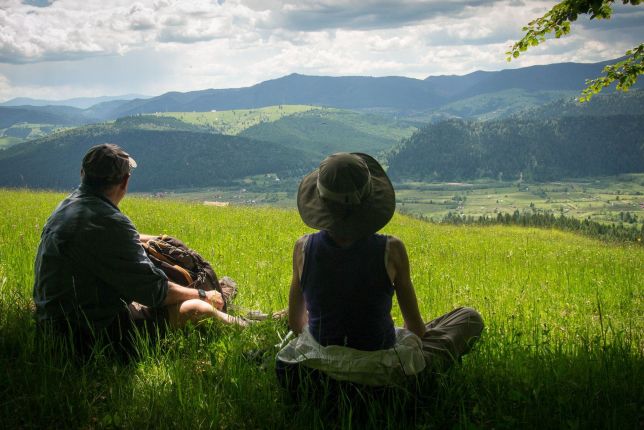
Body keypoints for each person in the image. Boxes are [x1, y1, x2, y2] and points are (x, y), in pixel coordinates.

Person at [276, 152, 484, 397]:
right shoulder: (391, 250)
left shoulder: (303, 249)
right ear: (369, 203)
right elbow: (416, 330)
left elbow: (296, 324)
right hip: (383, 378)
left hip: (317, 371)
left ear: (320, 202)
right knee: (469, 318)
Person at [33, 143, 246, 357]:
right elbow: (156, 292)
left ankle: (224, 298)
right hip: (88, 338)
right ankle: (248, 326)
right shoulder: (110, 223)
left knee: (165, 294)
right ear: (125, 182)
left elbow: (110, 239)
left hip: (53, 326)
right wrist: (202, 293)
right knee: (196, 309)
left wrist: (155, 239)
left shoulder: (67, 208)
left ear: (83, 174)